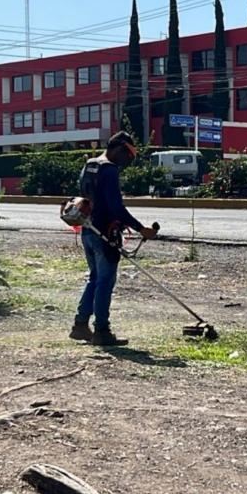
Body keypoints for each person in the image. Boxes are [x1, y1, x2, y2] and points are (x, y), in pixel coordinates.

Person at [70, 132, 158, 346]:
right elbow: (116, 208)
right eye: (128, 154)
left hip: (88, 231)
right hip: (104, 234)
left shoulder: (90, 164)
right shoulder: (109, 170)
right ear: (118, 148)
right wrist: (140, 228)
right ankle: (102, 331)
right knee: (104, 281)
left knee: (95, 278)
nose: (128, 160)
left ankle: (80, 325)